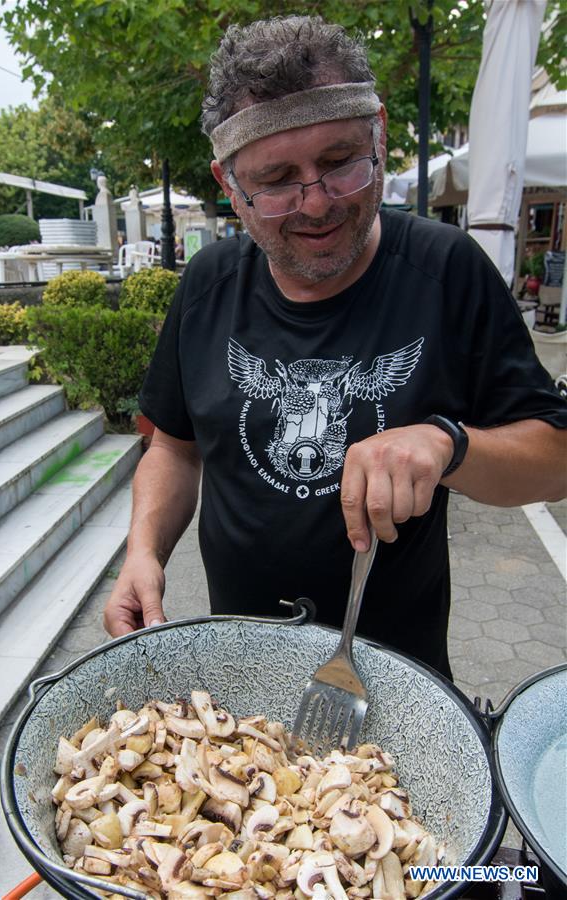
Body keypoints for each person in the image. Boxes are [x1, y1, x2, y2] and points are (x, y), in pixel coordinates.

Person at [104, 16, 566, 678]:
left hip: (394, 682)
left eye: (339, 162)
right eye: (277, 180)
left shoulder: (447, 271)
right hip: (240, 670)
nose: (316, 202)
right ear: (230, 186)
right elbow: (174, 447)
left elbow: (555, 458)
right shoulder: (208, 285)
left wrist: (447, 444)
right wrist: (143, 550)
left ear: (378, 133)